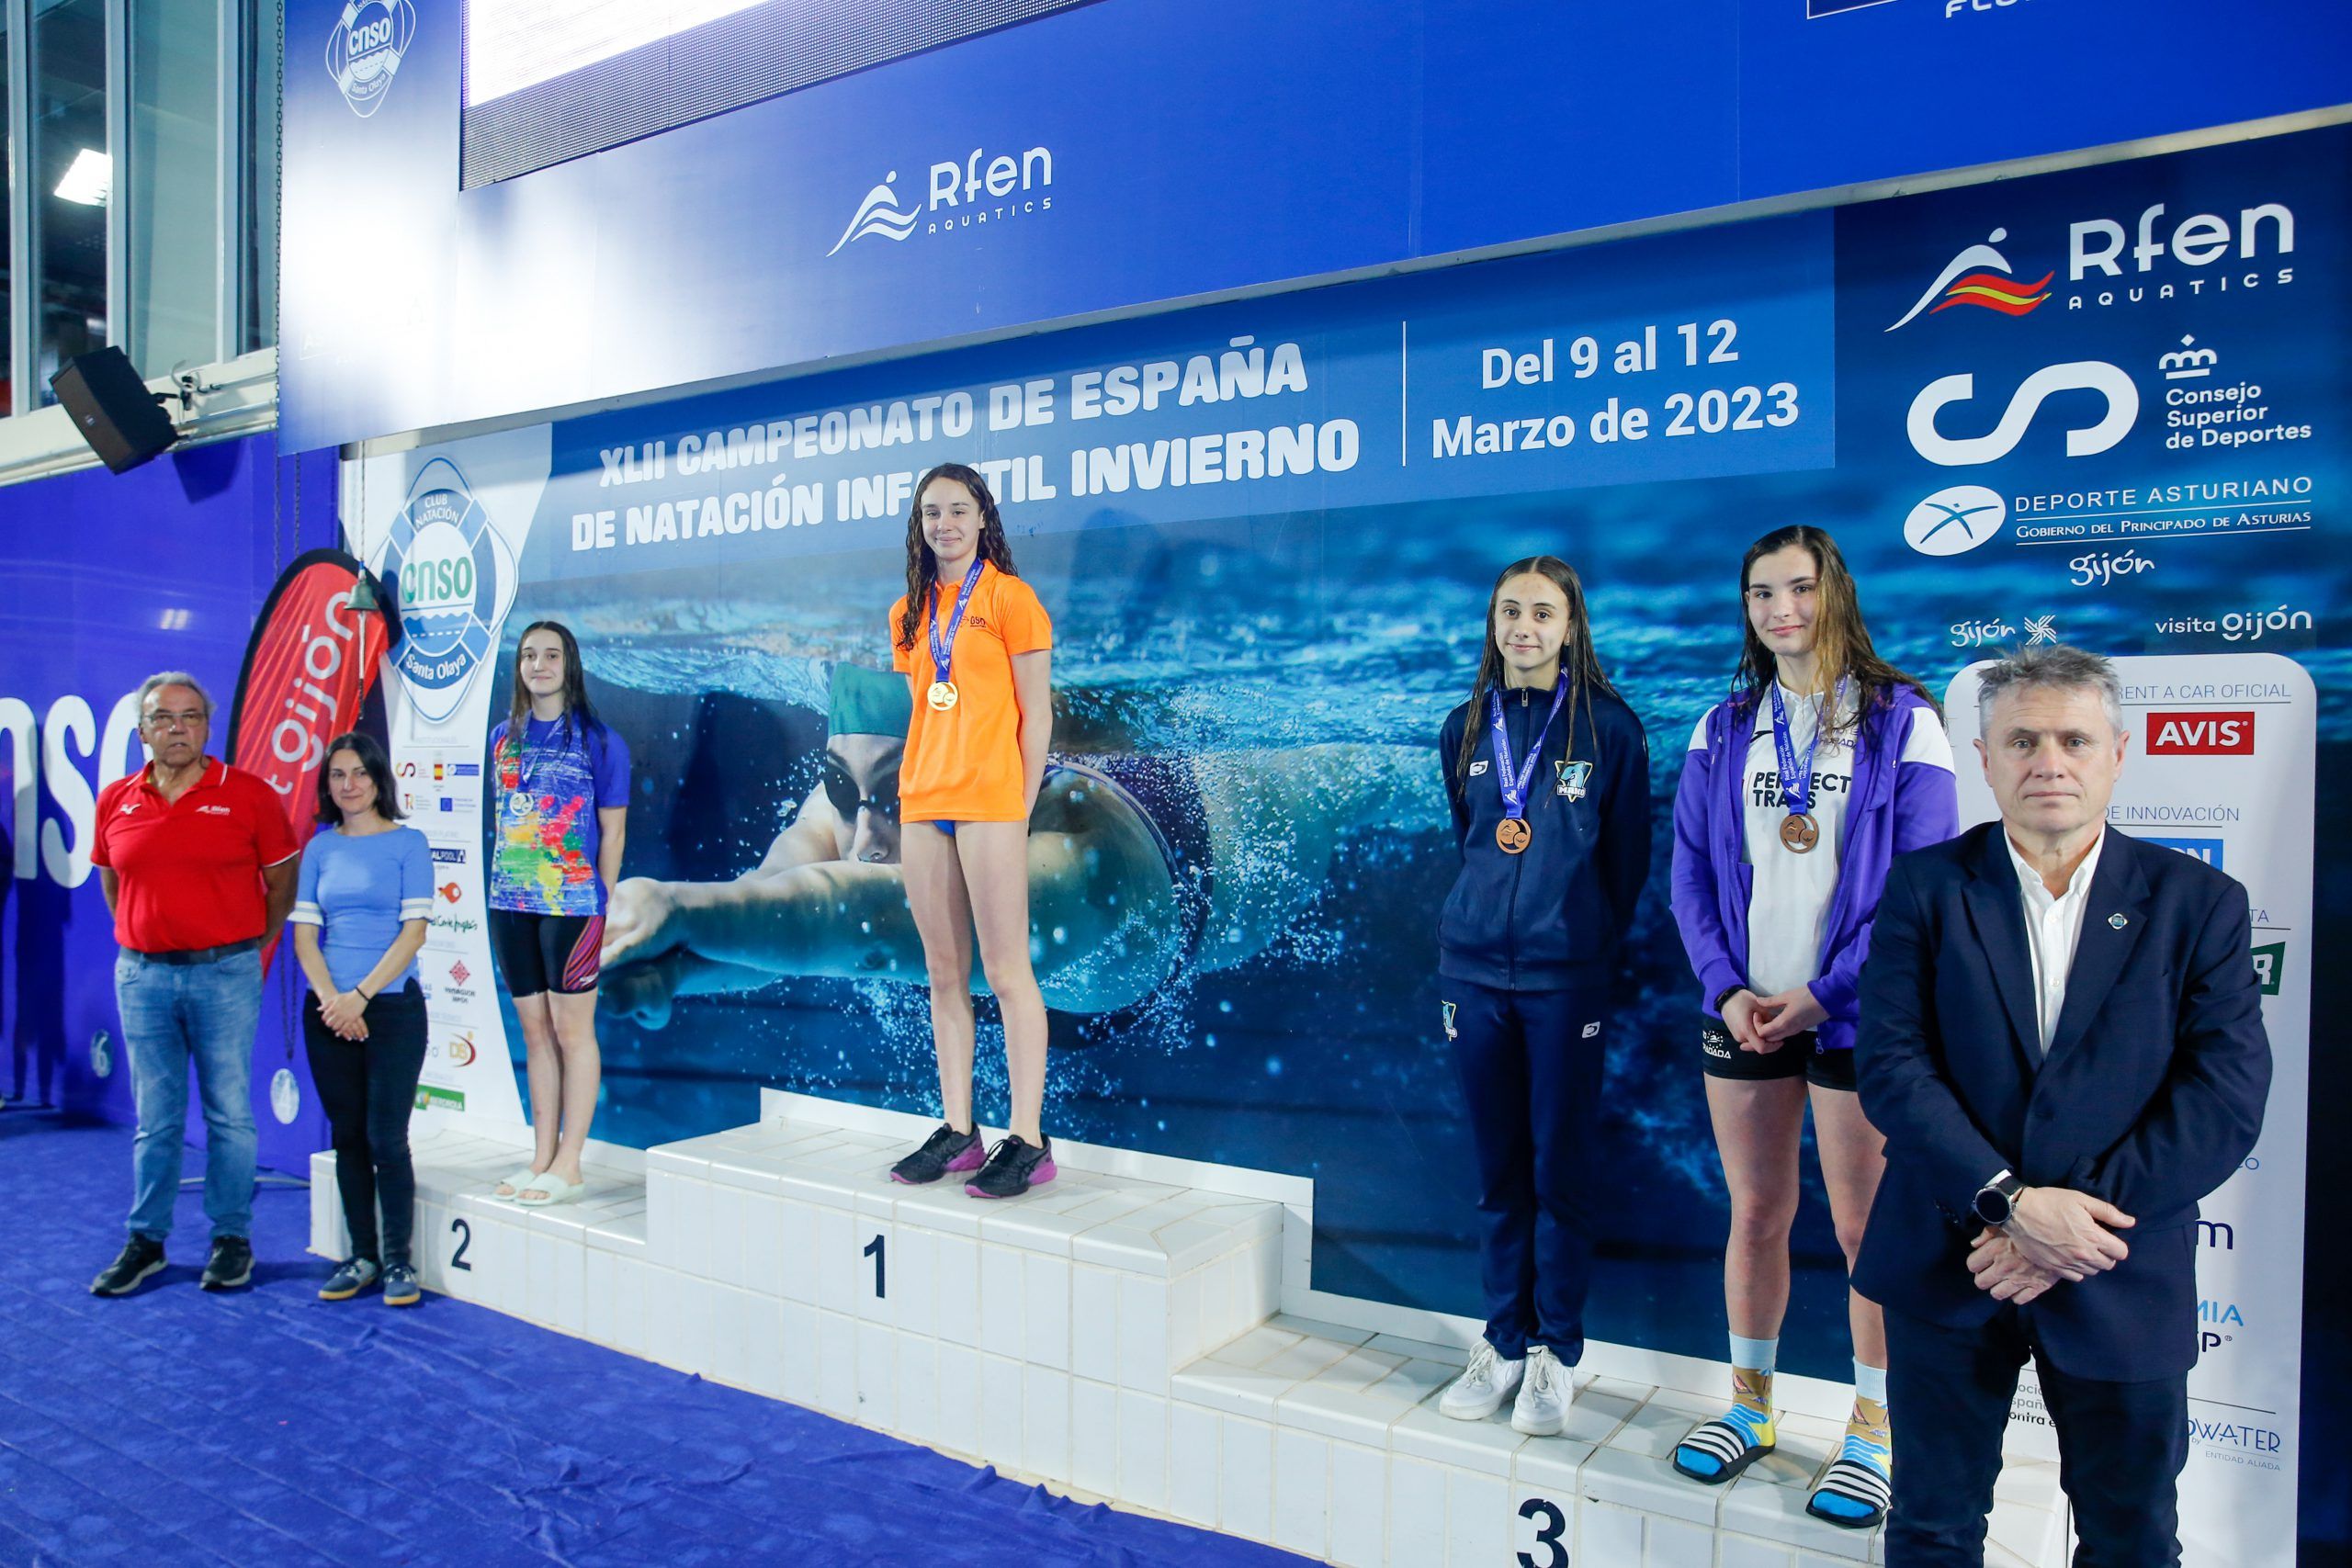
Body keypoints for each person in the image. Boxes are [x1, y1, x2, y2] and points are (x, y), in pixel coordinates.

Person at [1855, 644, 2269, 1565]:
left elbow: (2224, 1095)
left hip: (2116, 1264)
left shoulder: (2199, 903)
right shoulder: (1924, 887)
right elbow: (1890, 1066)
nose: (2049, 762)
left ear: (2118, 754)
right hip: (1947, 1258)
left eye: (2074, 740)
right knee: (1930, 1527)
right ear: (1984, 757)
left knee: (2130, 1538)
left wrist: (2063, 1225)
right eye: (2023, 740)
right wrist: (2009, 1202)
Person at [594, 667, 1442, 1024]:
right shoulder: (870, 786)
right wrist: (673, 965)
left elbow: (863, 923)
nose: (863, 839)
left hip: (1230, 830)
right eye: (844, 790)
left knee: (1368, 780)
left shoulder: (1087, 864)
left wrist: (676, 904)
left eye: (901, 794)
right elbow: (777, 895)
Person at [1667, 525, 1958, 1526]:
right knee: (1755, 1213)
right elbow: (1689, 874)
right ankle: (1750, 1408)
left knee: (1863, 1227)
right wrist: (1723, 987)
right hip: (1745, 1011)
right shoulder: (1722, 727)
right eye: (1761, 593)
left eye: (1798, 588)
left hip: (1856, 1015)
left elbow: (1920, 885)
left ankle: (1873, 1430)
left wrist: (1825, 994)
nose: (1781, 609)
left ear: (1834, 593)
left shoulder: (1903, 721)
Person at [1430, 557, 1651, 1437]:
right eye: (1510, 611)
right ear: (1493, 623)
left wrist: (1581, 939)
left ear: (1570, 626)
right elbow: (1472, 839)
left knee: (1560, 1170)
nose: (1524, 627)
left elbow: (1626, 863)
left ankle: (1556, 1350)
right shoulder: (1463, 727)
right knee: (1498, 1172)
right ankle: (1503, 1341)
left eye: (1543, 613)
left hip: (1567, 983)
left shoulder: (1611, 730)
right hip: (1472, 976)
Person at [88, 672, 300, 1296]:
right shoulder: (116, 799)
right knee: (155, 1119)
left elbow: (281, 885)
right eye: (162, 717)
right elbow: (113, 883)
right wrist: (148, 938)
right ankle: (146, 1241)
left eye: (189, 716)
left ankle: (231, 1238)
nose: (176, 728)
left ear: (207, 726)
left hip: (224, 974)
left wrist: (238, 943)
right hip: (142, 978)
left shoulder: (250, 795)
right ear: (142, 730)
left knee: (229, 1115)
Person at [882, 463, 1058, 1200]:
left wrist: (1019, 804)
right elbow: (928, 709)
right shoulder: (907, 612)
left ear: (983, 517)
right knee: (943, 973)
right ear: (919, 525)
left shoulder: (1012, 599)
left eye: (958, 510)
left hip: (992, 802)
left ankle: (1029, 1139)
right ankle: (960, 1129)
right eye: (932, 512)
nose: (945, 524)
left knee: (1008, 972)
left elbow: (1037, 713)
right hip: (923, 802)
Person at [485, 621, 630, 1207]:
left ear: (569, 665)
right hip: (509, 902)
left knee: (573, 1033)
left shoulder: (600, 741)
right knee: (535, 1032)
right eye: (528, 655)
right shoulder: (503, 739)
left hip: (572, 903)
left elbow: (613, 832)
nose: (538, 665)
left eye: (550, 655)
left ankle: (571, 1164)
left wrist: (602, 900)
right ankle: (541, 1157)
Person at [288, 733, 433, 1305]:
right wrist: (333, 1001)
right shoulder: (319, 849)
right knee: (347, 1136)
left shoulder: (409, 843)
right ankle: (362, 1256)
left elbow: (414, 933)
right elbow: (305, 938)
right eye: (337, 775)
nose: (349, 785)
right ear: (327, 786)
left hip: (392, 1009)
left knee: (385, 1139)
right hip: (328, 1013)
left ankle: (399, 1262)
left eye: (359, 773)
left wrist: (360, 998)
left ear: (379, 779)